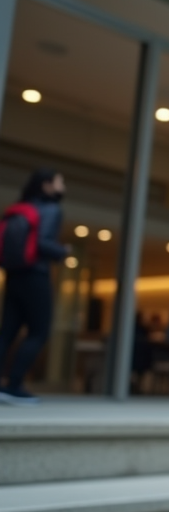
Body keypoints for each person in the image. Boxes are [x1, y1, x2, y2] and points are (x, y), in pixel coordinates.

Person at [0, 169, 69, 405]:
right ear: (47, 185)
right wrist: (63, 251)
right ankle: (14, 385)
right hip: (36, 275)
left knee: (7, 331)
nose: (63, 187)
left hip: (14, 275)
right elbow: (42, 242)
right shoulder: (51, 209)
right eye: (60, 182)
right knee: (39, 331)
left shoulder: (19, 208)